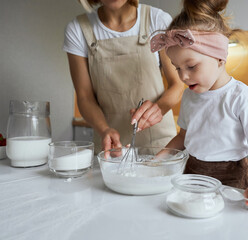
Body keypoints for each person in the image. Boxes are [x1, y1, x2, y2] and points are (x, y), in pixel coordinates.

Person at [150, 0, 248, 211]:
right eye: (177, 68)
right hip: (191, 174)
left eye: (191, 66)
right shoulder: (190, 96)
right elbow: (183, 137)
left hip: (231, 179)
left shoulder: (241, 97)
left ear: (220, 58)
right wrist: (156, 161)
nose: (183, 76)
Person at [63, 0, 184, 153]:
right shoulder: (78, 29)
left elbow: (178, 85)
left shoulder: (157, 20)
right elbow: (84, 97)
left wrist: (159, 108)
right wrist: (104, 130)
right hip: (111, 146)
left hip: (160, 145)